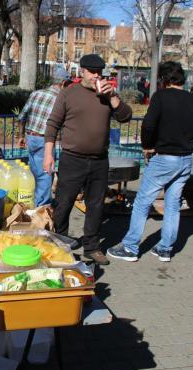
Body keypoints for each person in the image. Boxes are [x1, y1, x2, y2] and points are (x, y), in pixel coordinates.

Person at [108, 61, 193, 263]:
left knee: (142, 202)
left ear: (163, 79)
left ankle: (131, 247)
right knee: (173, 204)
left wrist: (147, 145)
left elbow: (148, 126)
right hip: (185, 158)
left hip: (164, 157)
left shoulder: (161, 97)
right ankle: (165, 248)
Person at [43, 54, 132, 265]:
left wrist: (112, 98)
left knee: (96, 206)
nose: (96, 76)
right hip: (72, 159)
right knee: (64, 203)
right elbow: (53, 124)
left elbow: (125, 116)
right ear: (82, 71)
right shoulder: (69, 93)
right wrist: (48, 154)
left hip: (99, 160)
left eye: (100, 72)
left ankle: (92, 247)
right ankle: (61, 244)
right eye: (92, 72)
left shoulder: (108, 95)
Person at [17, 66, 70, 207]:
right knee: (45, 175)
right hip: (44, 140)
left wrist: (21, 136)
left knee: (34, 172)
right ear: (63, 83)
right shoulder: (60, 99)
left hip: (30, 137)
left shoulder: (36, 93)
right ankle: (42, 208)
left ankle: (34, 202)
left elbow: (22, 116)